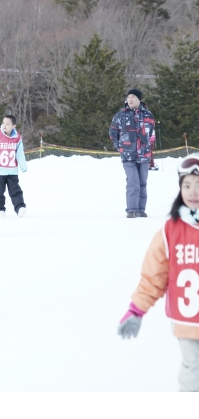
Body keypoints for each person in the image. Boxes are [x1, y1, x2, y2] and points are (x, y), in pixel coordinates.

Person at [117, 153, 199, 391]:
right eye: (187, 186)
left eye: (198, 186)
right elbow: (154, 277)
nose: (193, 191)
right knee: (192, 369)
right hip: (188, 319)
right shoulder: (170, 231)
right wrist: (136, 310)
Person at [109, 89, 155, 218]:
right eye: (128, 97)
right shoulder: (120, 115)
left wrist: (148, 150)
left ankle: (140, 209)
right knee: (133, 182)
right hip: (128, 156)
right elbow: (113, 133)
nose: (130, 99)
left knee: (142, 183)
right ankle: (131, 209)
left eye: (133, 97)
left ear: (139, 99)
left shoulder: (148, 115)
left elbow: (151, 135)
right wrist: (120, 147)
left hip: (144, 155)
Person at [0, 115, 28, 218]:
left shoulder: (17, 137)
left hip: (12, 170)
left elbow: (20, 153)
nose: (4, 125)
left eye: (8, 124)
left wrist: (23, 166)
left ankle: (20, 207)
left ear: (13, 126)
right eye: (3, 123)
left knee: (15, 190)